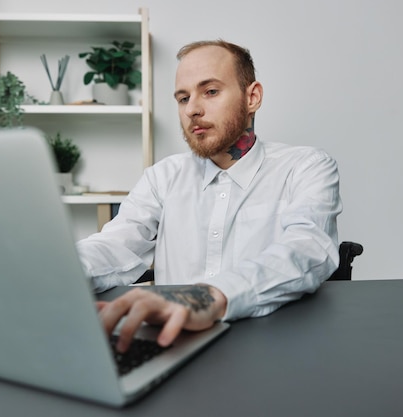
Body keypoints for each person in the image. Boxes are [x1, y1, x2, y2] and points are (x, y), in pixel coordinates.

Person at [76, 39, 342, 352]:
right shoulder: (162, 177)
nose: (192, 109)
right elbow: (114, 247)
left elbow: (306, 250)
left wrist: (208, 298)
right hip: (172, 347)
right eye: (182, 98)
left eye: (210, 91)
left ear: (252, 97)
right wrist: (52, 272)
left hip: (272, 350)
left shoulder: (305, 167)